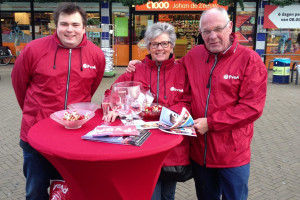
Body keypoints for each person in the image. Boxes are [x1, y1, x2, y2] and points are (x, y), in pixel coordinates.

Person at [126, 7, 268, 200]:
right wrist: (142, 64)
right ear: (200, 33)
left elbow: (252, 108)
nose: (212, 36)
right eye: (206, 31)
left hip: (232, 154)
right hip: (200, 153)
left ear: (230, 27)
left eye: (218, 28)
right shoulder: (194, 56)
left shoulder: (250, 60)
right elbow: (168, 67)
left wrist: (212, 123)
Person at [11, 3, 105, 200]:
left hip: (74, 137)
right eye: (64, 24)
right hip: (35, 134)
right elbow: (20, 85)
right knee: (35, 191)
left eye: (75, 24)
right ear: (56, 25)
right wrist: (34, 112)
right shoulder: (33, 49)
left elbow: (91, 88)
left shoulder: (96, 54)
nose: (69, 29)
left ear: (84, 27)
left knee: (70, 190)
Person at [104, 22, 192, 200]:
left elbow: (187, 101)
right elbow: (111, 92)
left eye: (164, 43)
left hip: (171, 148)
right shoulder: (136, 69)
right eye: (154, 44)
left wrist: (161, 113)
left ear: (172, 45)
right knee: (150, 195)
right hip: (142, 147)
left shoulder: (182, 71)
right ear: (148, 46)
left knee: (168, 195)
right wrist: (111, 107)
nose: (159, 48)